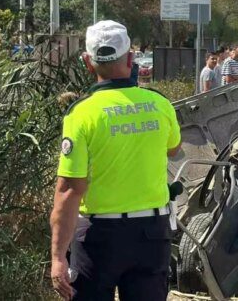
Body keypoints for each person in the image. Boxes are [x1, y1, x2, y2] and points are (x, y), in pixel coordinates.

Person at [50, 20, 181, 301]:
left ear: (88, 61)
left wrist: (58, 256)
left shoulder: (81, 114)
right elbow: (174, 149)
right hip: (152, 234)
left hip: (99, 238)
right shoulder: (160, 104)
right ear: (131, 58)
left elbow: (70, 189)